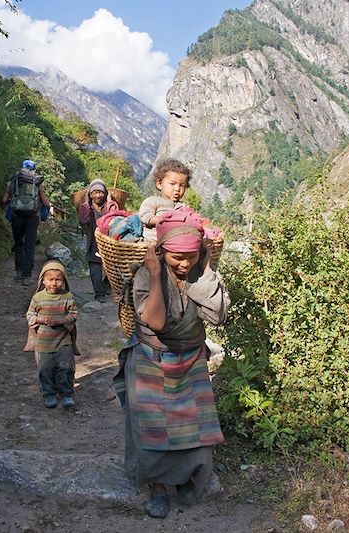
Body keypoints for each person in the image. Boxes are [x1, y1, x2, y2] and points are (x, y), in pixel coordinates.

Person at [113, 209, 229, 519]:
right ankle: (158, 488)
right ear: (160, 251)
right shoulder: (145, 274)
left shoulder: (199, 272)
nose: (184, 263)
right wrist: (153, 274)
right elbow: (156, 320)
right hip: (151, 359)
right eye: (177, 256)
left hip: (191, 359)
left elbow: (217, 315)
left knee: (196, 428)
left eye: (191, 256)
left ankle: (188, 480)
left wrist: (204, 270)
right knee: (152, 428)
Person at [26, 260, 78, 409]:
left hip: (63, 340)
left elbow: (74, 314)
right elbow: (29, 314)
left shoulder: (68, 296)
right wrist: (40, 319)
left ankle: (67, 394)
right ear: (43, 280)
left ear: (64, 280)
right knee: (45, 369)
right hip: (43, 342)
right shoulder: (38, 298)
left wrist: (60, 321)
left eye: (58, 279)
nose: (54, 283)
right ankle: (49, 394)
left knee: (66, 367)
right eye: (50, 279)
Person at [1, 160, 50, 286]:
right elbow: (45, 203)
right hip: (32, 217)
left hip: (17, 216)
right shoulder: (36, 181)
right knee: (29, 246)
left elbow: (5, 199)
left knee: (18, 244)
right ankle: (27, 276)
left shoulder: (14, 180)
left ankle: (18, 271)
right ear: (33, 169)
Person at [78, 178, 118, 302]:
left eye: (100, 192)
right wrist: (85, 202)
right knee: (95, 267)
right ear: (90, 195)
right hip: (93, 241)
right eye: (94, 192)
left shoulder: (110, 206)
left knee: (113, 266)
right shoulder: (86, 208)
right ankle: (99, 293)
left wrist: (110, 200)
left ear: (105, 193)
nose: (98, 195)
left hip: (108, 241)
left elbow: (115, 216)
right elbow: (83, 220)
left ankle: (106, 286)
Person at [138, 158, 191, 241]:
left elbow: (190, 219)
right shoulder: (153, 201)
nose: (177, 189)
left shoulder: (183, 206)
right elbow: (144, 216)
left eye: (182, 186)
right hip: (153, 241)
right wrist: (162, 220)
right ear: (159, 184)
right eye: (172, 184)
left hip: (175, 242)